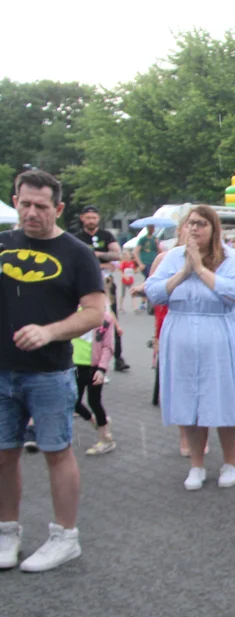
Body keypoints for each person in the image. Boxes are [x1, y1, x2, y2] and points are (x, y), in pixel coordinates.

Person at [0, 170, 106, 572]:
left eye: (40, 206)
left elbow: (95, 312)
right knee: (3, 454)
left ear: (58, 208)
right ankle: (6, 531)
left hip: (48, 371)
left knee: (56, 451)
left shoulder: (77, 252)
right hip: (1, 368)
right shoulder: (2, 244)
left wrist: (49, 332)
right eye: (24, 204)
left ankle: (65, 537)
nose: (30, 213)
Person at [145, 206, 235, 492]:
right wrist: (184, 271)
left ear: (213, 228)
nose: (195, 228)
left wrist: (200, 269)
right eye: (191, 223)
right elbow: (155, 293)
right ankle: (196, 464)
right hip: (182, 336)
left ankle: (229, 462)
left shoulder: (231, 258)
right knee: (190, 402)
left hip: (221, 336)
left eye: (202, 224)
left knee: (225, 399)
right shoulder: (171, 257)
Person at [75, 205, 129, 372]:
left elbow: (116, 254)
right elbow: (74, 259)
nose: (91, 220)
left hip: (105, 282)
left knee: (111, 317)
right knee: (84, 316)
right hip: (83, 283)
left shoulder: (106, 236)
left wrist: (95, 255)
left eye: (94, 217)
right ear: (82, 218)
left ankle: (118, 357)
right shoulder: (77, 237)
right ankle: (83, 358)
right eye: (88, 217)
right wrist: (102, 259)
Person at [73, 306, 116, 456]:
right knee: (73, 402)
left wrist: (102, 369)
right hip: (73, 366)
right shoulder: (71, 313)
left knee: (94, 401)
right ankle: (96, 421)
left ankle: (106, 440)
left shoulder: (104, 318)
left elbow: (108, 346)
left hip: (93, 367)